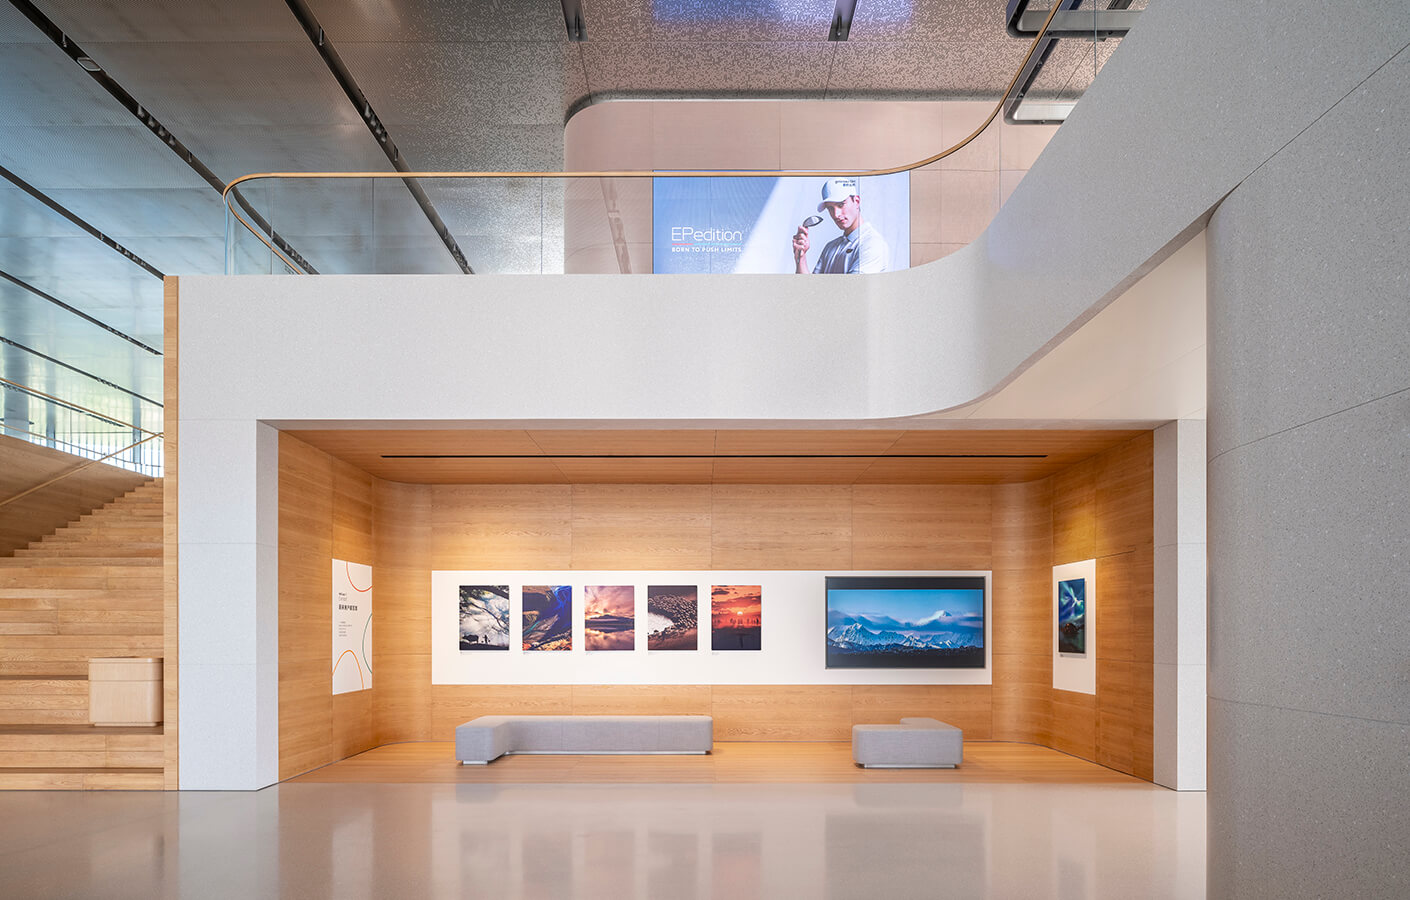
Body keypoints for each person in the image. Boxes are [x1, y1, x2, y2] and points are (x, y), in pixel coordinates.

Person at [792, 177, 890, 274]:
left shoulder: (872, 244)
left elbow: (852, 289)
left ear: (856, 201)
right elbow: (809, 288)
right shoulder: (830, 247)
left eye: (840, 205)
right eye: (830, 208)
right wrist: (801, 258)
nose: (836, 214)